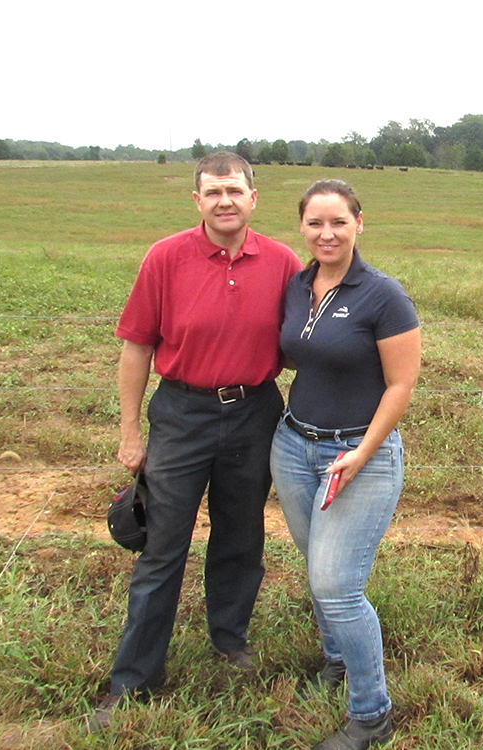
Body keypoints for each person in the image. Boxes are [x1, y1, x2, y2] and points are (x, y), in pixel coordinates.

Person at [88, 152, 303, 732]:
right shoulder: (165, 257)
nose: (224, 201)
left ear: (253, 197)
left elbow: (301, 343)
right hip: (182, 415)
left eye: (234, 190)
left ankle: (229, 642)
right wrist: (130, 432)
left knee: (241, 535)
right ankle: (132, 680)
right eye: (213, 192)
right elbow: (136, 346)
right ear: (197, 200)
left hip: (254, 412)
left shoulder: (282, 262)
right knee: (162, 546)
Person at [270, 180, 421, 750]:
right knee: (316, 566)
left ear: (360, 223)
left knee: (336, 585)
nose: (326, 234)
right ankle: (335, 660)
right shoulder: (297, 286)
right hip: (293, 446)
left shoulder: (383, 295)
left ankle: (371, 713)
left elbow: (401, 384)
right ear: (301, 228)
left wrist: (363, 451)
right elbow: (293, 353)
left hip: (358, 455)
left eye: (338, 222)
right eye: (315, 223)